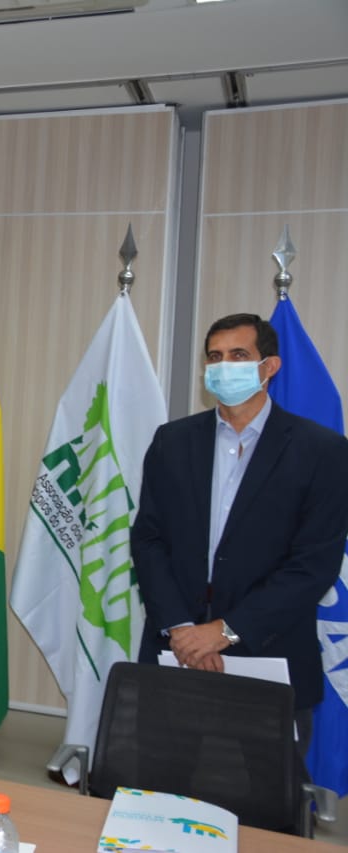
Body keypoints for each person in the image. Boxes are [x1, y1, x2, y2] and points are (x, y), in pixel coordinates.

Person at [132, 312, 348, 750]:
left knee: (263, 790)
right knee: (163, 782)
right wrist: (182, 629)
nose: (224, 366)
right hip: (177, 651)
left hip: (270, 655)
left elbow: (314, 565)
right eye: (215, 357)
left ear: (269, 366)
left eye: (238, 355)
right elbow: (148, 539)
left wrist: (226, 631)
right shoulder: (171, 441)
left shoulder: (322, 451)